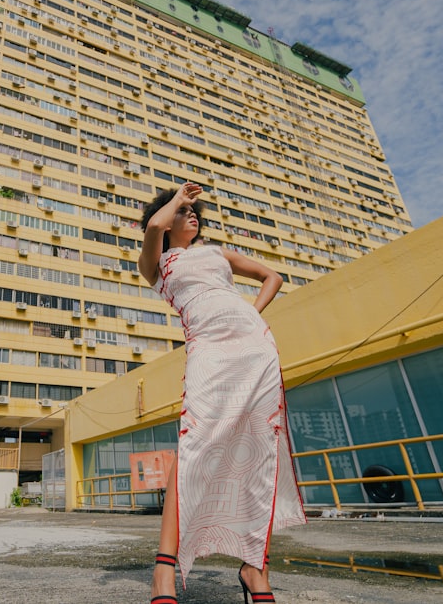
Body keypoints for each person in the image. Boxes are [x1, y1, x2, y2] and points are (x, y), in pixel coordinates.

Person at [138, 182, 306, 604]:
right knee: (196, 441)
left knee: (260, 447)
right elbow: (157, 223)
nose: (192, 216)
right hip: (208, 347)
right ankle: (164, 571)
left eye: (196, 212)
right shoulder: (158, 262)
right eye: (184, 212)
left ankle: (255, 568)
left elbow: (274, 276)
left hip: (254, 345)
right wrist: (177, 198)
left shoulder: (217, 253)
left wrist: (249, 313)